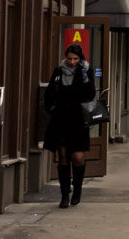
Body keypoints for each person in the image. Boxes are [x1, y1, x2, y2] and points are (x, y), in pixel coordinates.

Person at [44, 43, 96, 208]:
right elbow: (50, 92)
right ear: (65, 57)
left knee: (78, 157)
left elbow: (90, 94)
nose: (72, 62)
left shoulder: (85, 71)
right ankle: (64, 194)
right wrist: (52, 108)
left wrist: (85, 77)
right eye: (70, 58)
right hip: (61, 119)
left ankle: (78, 189)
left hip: (78, 120)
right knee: (64, 156)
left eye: (76, 59)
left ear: (80, 59)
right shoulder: (59, 71)